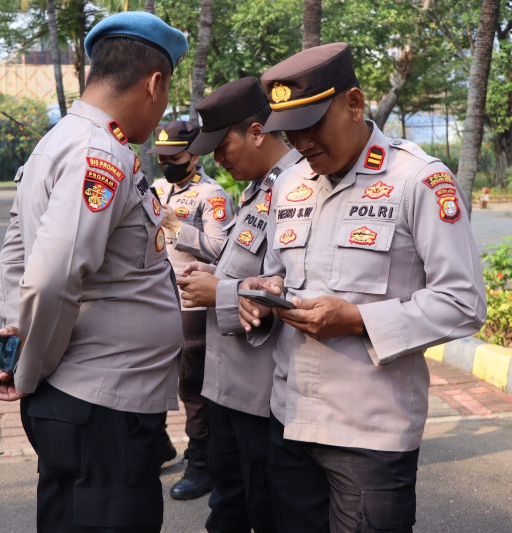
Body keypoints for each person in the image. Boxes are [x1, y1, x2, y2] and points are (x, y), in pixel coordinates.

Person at [238, 43, 487, 533]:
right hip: (289, 418)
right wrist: (260, 294)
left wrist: (355, 319)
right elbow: (277, 271)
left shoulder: (418, 180)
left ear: (354, 103)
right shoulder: (290, 184)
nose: (300, 141)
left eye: (311, 124)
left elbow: (463, 301)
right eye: (288, 130)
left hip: (369, 432)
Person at [0, 12, 188, 532]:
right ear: (154, 84)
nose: (160, 114)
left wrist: (17, 342)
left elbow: (13, 261)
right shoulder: (101, 154)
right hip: (101, 407)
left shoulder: (56, 142)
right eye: (164, 98)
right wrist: (29, 370)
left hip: (88, 401)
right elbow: (49, 278)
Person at [177, 76, 309, 533]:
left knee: (261, 508)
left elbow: (292, 286)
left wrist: (221, 293)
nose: (216, 159)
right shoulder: (257, 189)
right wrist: (214, 276)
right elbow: (247, 265)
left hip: (259, 390)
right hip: (227, 384)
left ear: (257, 132)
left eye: (222, 145)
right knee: (228, 502)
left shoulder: (299, 188)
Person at [148, 119, 232, 500]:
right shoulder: (156, 188)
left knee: (191, 382)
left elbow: (220, 250)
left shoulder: (211, 195)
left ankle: (202, 459)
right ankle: (156, 442)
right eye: (162, 158)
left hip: (191, 302)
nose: (167, 164)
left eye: (175, 157)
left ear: (194, 155)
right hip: (155, 298)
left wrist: (173, 223)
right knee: (151, 373)